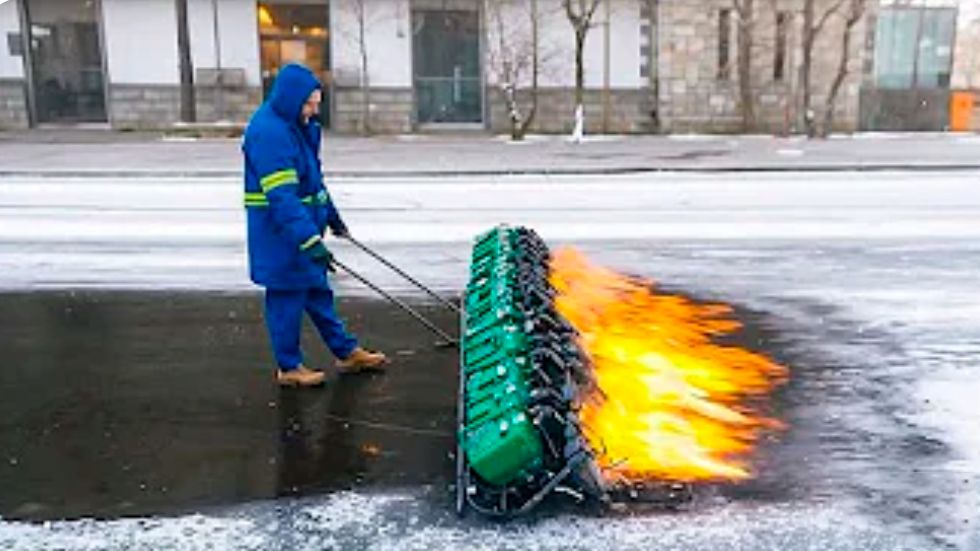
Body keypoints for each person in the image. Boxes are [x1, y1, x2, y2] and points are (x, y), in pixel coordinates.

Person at [243, 63, 387, 387]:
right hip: (280, 234)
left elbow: (313, 182)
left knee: (318, 292)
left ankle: (346, 352)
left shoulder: (298, 126)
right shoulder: (269, 133)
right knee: (287, 299)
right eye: (309, 104)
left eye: (316, 103)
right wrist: (309, 241)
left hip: (302, 229)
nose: (314, 110)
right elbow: (282, 197)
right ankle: (289, 367)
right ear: (291, 99)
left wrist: (332, 217)